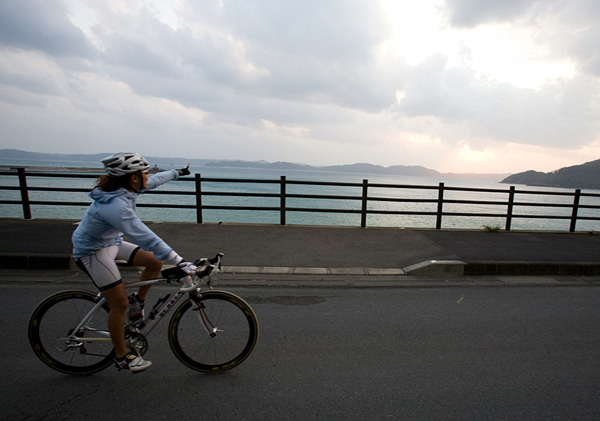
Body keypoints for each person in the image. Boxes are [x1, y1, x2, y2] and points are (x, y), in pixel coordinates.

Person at [72, 152, 196, 373]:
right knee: (118, 304)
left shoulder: (127, 188)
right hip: (92, 252)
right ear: (134, 178)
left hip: (111, 242)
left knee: (155, 262)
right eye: (145, 172)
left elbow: (155, 180)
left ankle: (137, 303)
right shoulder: (116, 206)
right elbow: (144, 236)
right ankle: (122, 356)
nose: (149, 176)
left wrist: (177, 173)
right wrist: (179, 260)